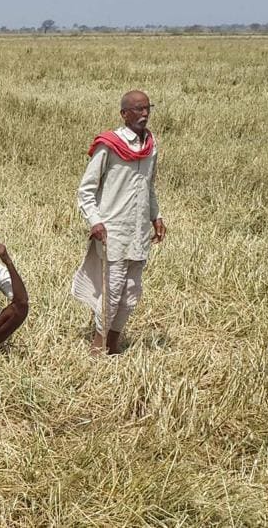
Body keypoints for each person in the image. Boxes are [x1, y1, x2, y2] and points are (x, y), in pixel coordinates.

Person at [72, 90, 166, 355]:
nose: (144, 114)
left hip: (138, 231)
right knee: (112, 291)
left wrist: (156, 216)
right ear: (124, 114)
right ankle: (98, 345)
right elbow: (86, 191)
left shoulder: (151, 145)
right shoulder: (108, 144)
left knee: (132, 291)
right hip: (112, 230)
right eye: (137, 109)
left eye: (148, 108)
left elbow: (149, 187)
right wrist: (95, 221)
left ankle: (114, 342)